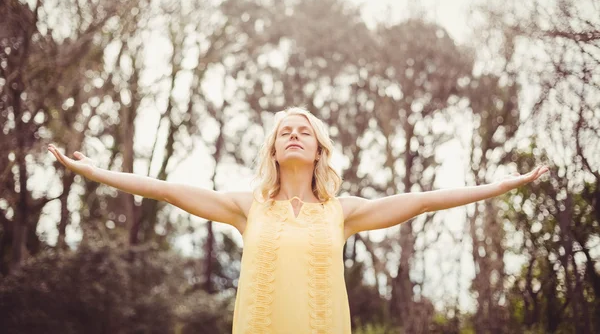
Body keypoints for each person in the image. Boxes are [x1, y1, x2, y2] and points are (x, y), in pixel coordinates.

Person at [47, 106, 549, 333]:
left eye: (302, 132)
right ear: (273, 148)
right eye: (284, 131)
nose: (292, 135)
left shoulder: (343, 212)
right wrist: (96, 172)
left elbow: (424, 200)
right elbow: (166, 190)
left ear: (317, 151)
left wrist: (502, 185)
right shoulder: (247, 206)